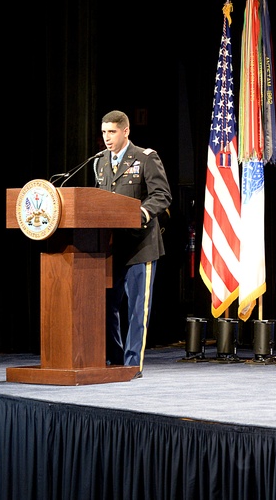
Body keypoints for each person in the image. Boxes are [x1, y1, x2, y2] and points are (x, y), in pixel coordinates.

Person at [95, 109, 171, 376]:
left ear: (125, 131)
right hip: (111, 247)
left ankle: (130, 365)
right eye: (104, 132)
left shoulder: (145, 158)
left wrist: (141, 213)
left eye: (112, 132)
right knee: (106, 305)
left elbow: (162, 195)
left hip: (141, 247)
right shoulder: (100, 161)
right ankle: (115, 360)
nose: (107, 137)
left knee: (138, 310)